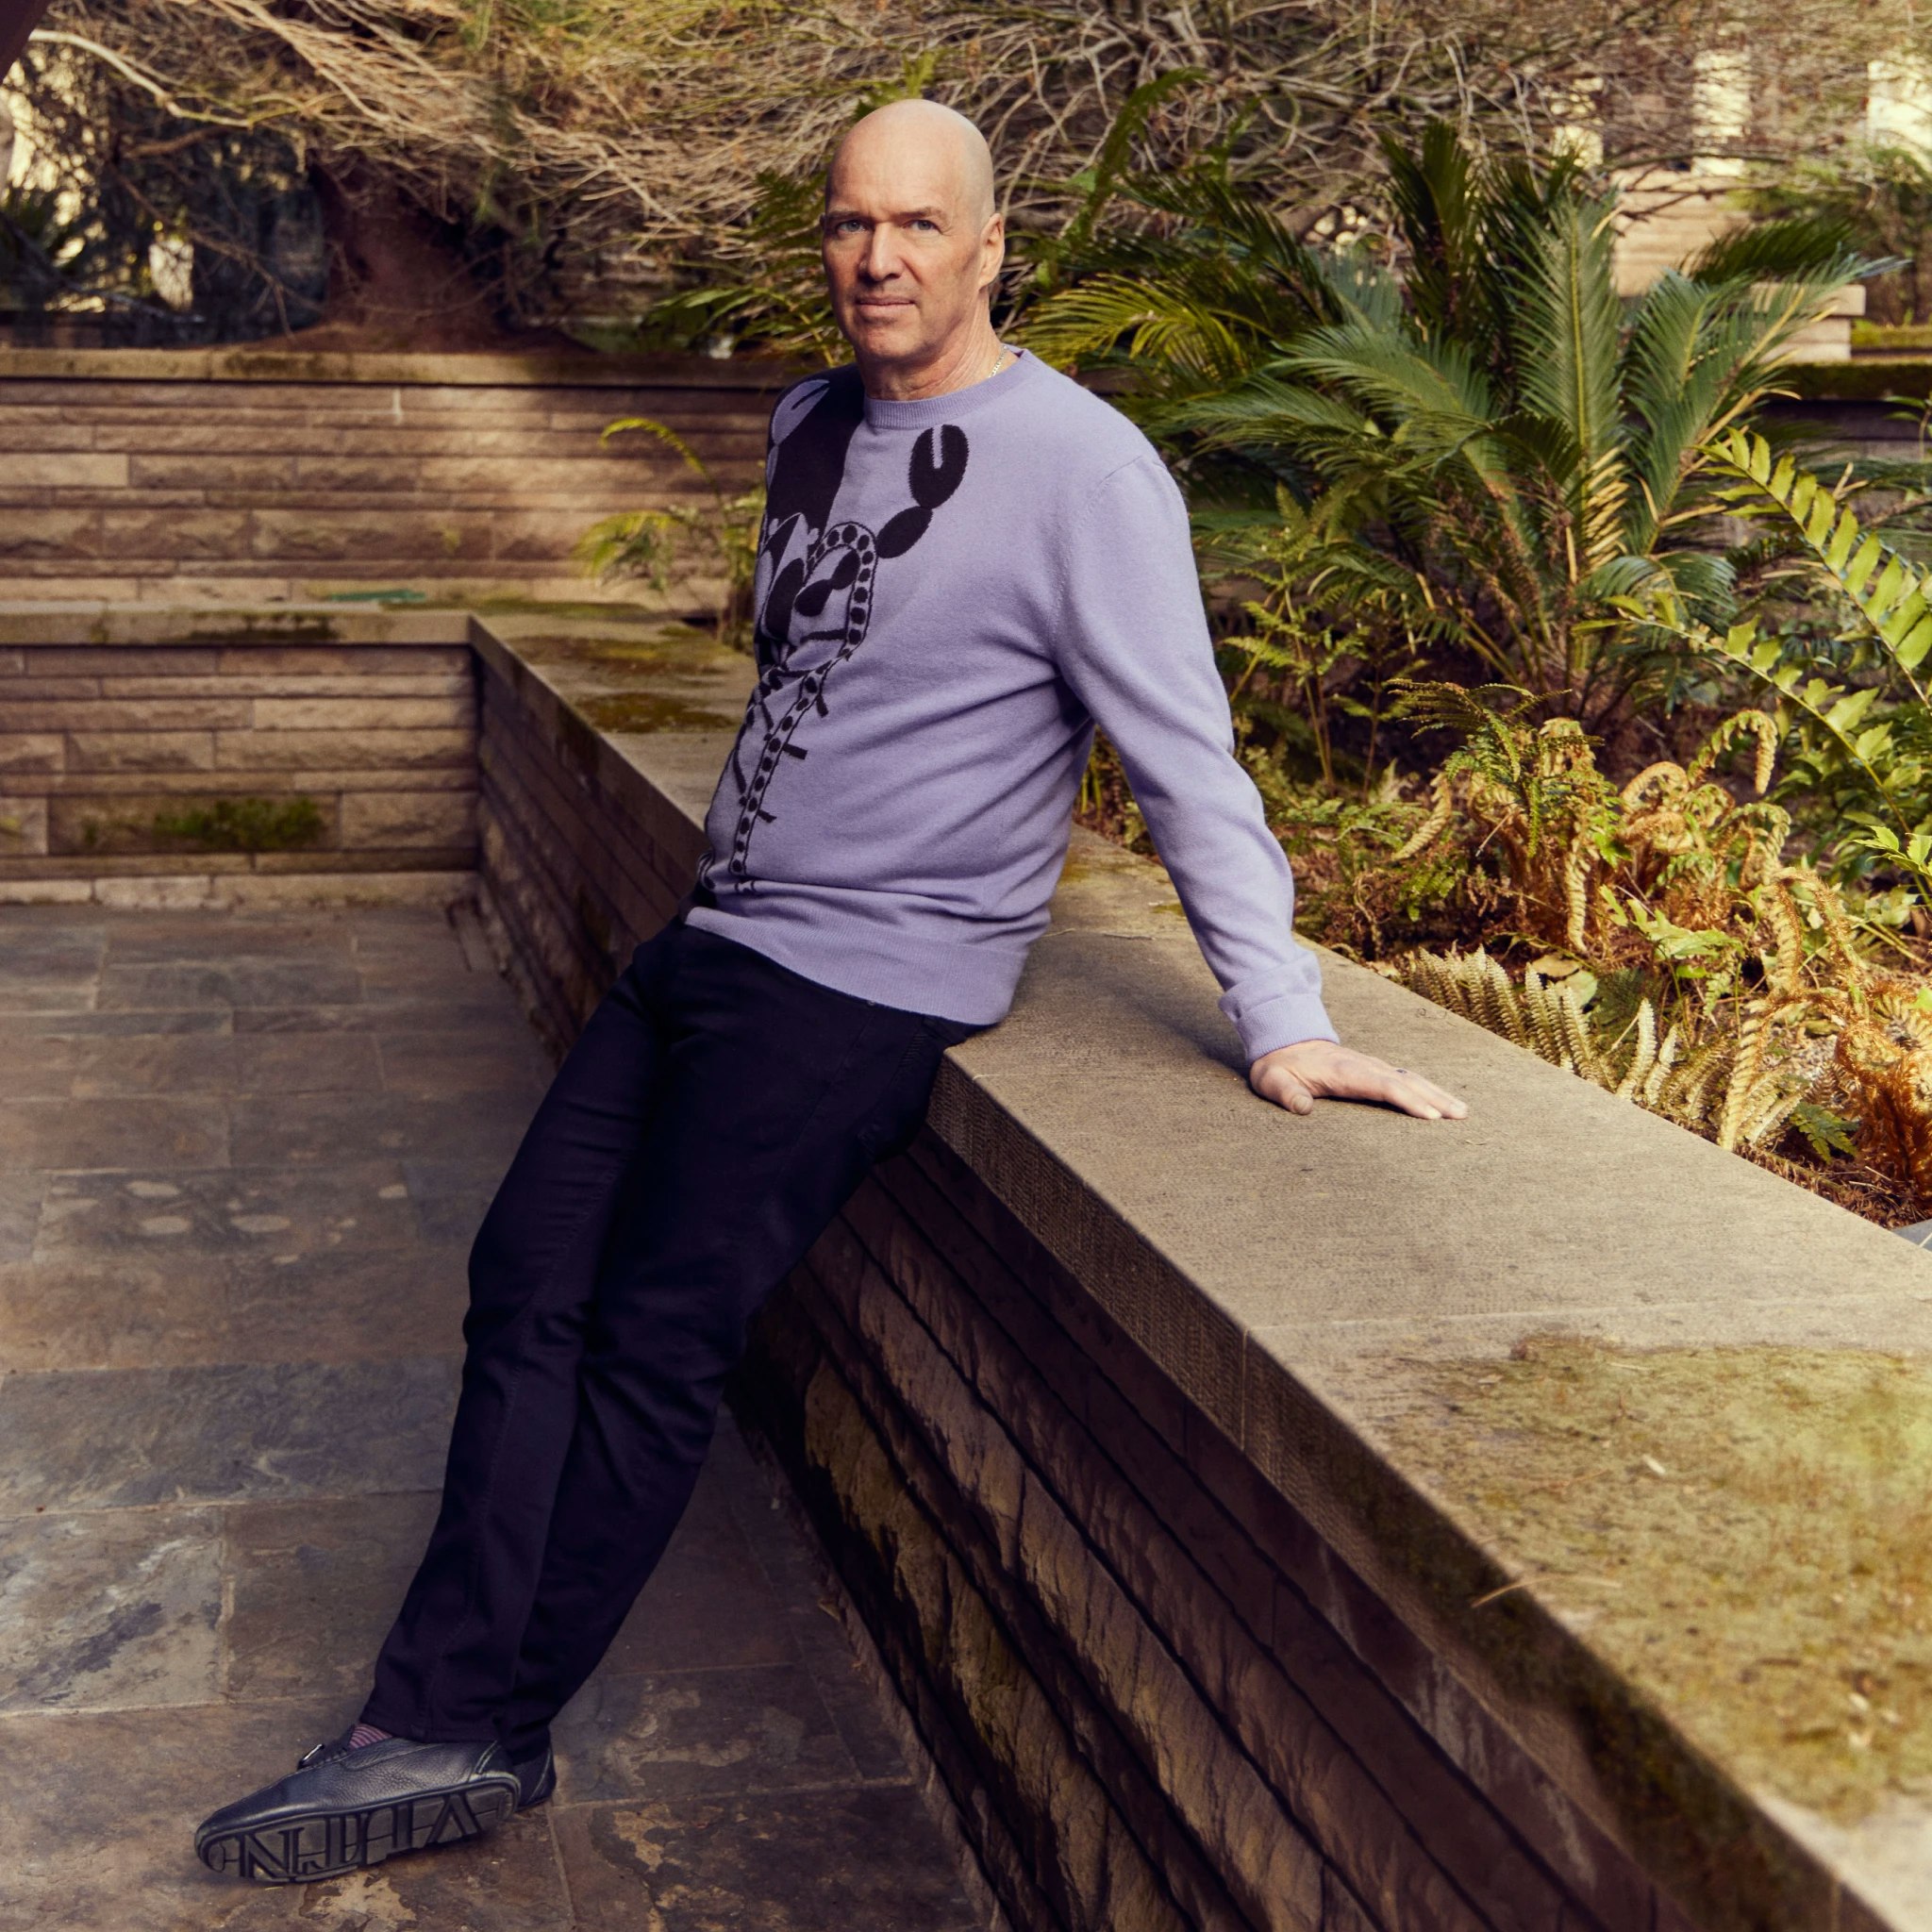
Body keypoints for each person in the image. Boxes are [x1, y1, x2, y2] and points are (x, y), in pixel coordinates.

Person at [192, 97, 1468, 1886]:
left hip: (866, 983)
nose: (880, 259)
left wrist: (1284, 1020)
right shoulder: (808, 422)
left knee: (651, 1336)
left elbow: (1191, 766)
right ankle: (442, 1695)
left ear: (993, 246)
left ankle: (473, 1724)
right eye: (854, 225)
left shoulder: (1085, 473)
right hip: (718, 943)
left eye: (922, 228)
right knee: (521, 1280)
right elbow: (817, 688)